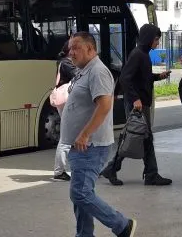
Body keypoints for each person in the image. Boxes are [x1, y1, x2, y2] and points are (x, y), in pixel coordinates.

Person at [61, 32, 137, 237]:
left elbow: (104, 105)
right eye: (70, 48)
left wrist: (85, 134)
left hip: (90, 145)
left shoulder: (98, 72)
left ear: (90, 49)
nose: (71, 52)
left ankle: (122, 225)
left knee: (80, 193)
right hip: (82, 146)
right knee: (82, 194)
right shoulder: (84, 71)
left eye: (76, 47)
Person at [102, 24, 171, 186]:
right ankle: (114, 168)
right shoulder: (138, 54)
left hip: (141, 102)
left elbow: (141, 78)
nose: (157, 42)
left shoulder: (143, 54)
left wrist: (158, 76)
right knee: (134, 136)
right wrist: (135, 99)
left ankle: (150, 173)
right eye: (156, 39)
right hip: (137, 104)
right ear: (148, 38)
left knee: (143, 137)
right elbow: (125, 78)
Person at [54, 41, 79, 181]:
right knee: (66, 136)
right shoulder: (66, 63)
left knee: (74, 134)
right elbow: (78, 75)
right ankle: (59, 171)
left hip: (67, 101)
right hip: (66, 101)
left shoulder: (65, 62)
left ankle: (81, 166)